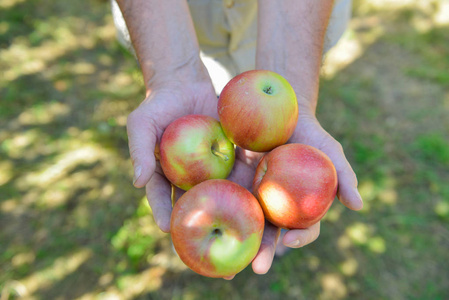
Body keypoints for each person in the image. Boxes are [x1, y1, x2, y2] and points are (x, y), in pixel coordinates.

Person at [112, 0, 363, 277]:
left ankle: (236, 222)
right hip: (172, 24)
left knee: (261, 97)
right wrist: (172, 74)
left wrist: (293, 89)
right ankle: (222, 223)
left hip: (293, 21)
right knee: (247, 97)